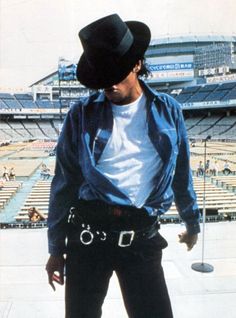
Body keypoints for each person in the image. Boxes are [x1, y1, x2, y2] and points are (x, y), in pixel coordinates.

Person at [46, 14, 200, 318]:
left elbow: (181, 172)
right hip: (88, 240)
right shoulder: (80, 116)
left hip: (142, 239)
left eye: (116, 72)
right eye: (101, 76)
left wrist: (192, 222)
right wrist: (55, 248)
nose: (109, 83)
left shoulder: (169, 111)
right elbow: (63, 184)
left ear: (137, 65)